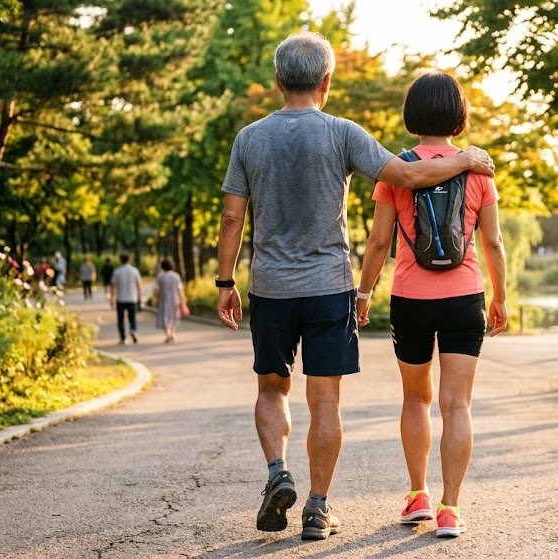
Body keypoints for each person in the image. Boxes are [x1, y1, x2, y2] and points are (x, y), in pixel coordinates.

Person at [214, 31, 495, 541]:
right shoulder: (343, 133)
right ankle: (318, 509)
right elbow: (406, 176)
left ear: (278, 81)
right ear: (327, 81)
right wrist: (467, 160)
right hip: (328, 288)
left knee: (272, 388)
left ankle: (278, 472)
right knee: (326, 402)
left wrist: (224, 282)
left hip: (272, 287)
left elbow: (233, 218)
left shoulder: (248, 138)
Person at [355, 71, 508, 538]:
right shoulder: (477, 168)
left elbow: (380, 241)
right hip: (464, 296)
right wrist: (500, 296)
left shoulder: (397, 168)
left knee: (415, 399)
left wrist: (364, 294)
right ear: (458, 115)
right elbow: (494, 242)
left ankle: (417, 496)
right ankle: (450, 509)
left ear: (412, 114)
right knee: (456, 404)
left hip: (410, 298)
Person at [109, 254, 142, 345]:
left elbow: (113, 286)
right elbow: (139, 285)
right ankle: (133, 330)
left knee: (120, 319)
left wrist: (112, 299)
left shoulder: (117, 271)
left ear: (121, 260)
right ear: (129, 260)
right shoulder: (134, 271)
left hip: (121, 299)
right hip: (132, 298)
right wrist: (139, 298)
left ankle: (123, 338)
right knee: (132, 318)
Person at [153, 259, 186, 343]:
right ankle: (172, 334)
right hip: (175, 299)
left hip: (163, 299)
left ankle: (167, 335)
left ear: (162, 267)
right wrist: (183, 300)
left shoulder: (160, 276)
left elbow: (156, 290)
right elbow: (180, 289)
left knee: (164, 316)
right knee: (173, 316)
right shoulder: (176, 276)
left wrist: (155, 299)